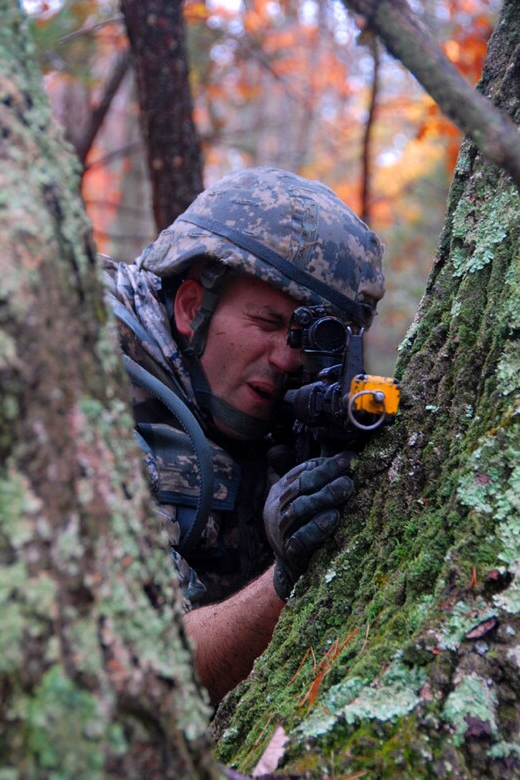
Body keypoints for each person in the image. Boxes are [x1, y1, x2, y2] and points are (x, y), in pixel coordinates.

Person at [104, 167, 385, 704]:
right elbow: (137, 675)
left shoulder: (274, 417)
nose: (286, 357)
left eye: (307, 337)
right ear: (190, 307)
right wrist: (286, 580)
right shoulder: (86, 396)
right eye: (267, 322)